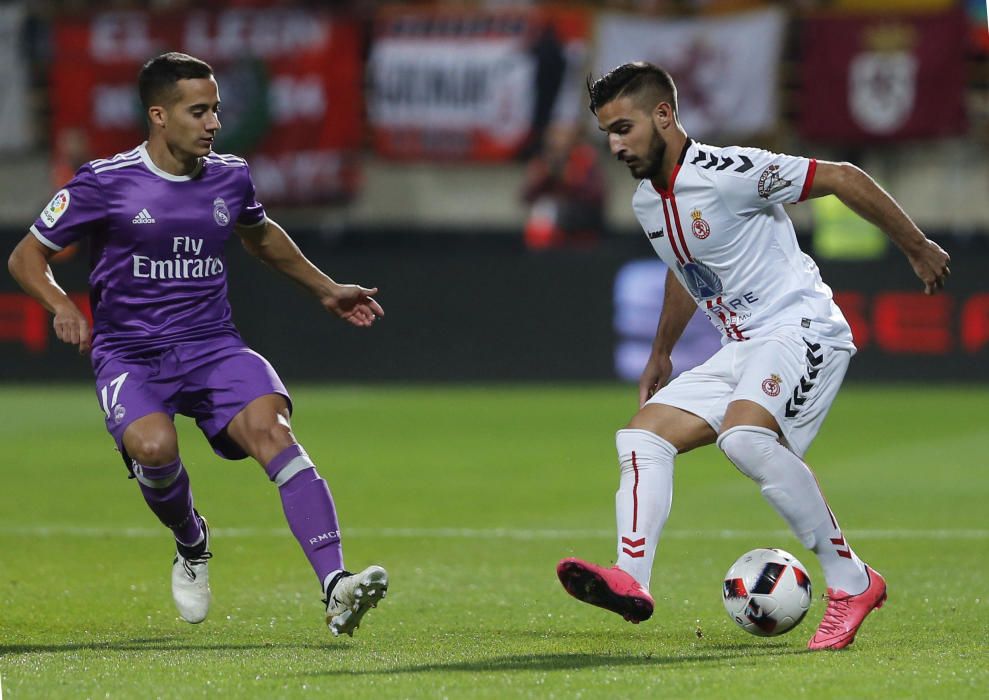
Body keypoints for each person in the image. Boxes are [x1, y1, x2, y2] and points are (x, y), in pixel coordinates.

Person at [556, 62, 950, 651]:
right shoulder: (647, 201)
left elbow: (841, 176)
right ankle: (631, 579)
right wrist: (661, 353)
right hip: (740, 346)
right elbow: (687, 272)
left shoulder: (728, 172)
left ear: (664, 115)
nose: (615, 144)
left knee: (744, 439)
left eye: (624, 128)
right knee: (641, 437)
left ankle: (852, 581)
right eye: (608, 132)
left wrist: (917, 247)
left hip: (802, 327)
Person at [7, 52, 388, 638]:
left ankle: (336, 585)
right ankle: (191, 538)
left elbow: (261, 238)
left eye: (216, 109)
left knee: (275, 431)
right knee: (154, 448)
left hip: (212, 346)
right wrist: (60, 304)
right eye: (199, 110)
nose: (213, 121)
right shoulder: (104, 182)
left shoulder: (230, 176)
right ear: (159, 115)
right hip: (130, 354)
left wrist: (326, 288)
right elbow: (25, 256)